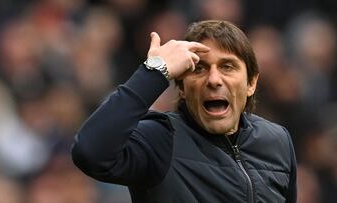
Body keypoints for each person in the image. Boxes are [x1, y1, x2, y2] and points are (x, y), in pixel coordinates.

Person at [71, 20, 297, 203]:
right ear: (181, 88)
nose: (214, 79)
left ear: (251, 83)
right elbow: (90, 152)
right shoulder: (160, 138)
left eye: (227, 66)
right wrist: (154, 73)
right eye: (199, 68)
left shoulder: (278, 141)